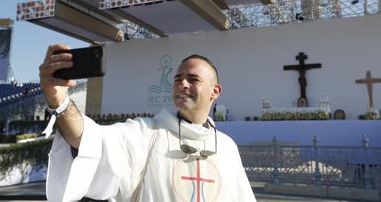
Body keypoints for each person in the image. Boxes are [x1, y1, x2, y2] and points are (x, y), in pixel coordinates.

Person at [39, 44, 256, 202]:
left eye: (193, 79)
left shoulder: (226, 147)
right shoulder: (146, 133)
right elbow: (89, 140)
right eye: (178, 79)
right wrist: (60, 102)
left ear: (215, 92)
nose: (182, 84)